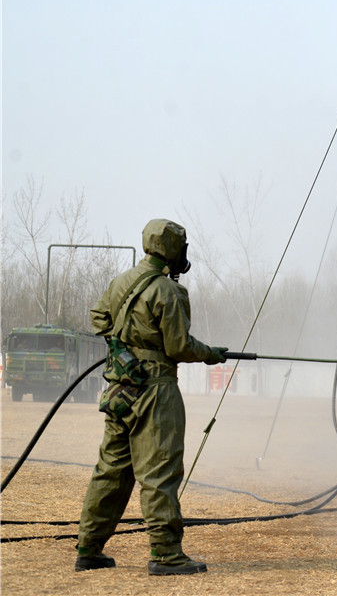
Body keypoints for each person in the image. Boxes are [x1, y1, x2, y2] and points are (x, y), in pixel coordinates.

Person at [75, 219, 227, 575]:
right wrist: (210, 353)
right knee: (159, 470)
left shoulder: (122, 281)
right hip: (155, 391)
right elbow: (178, 346)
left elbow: (99, 317)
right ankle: (166, 554)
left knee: (111, 470)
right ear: (175, 250)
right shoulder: (169, 292)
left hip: (120, 390)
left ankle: (89, 547)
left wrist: (119, 346)